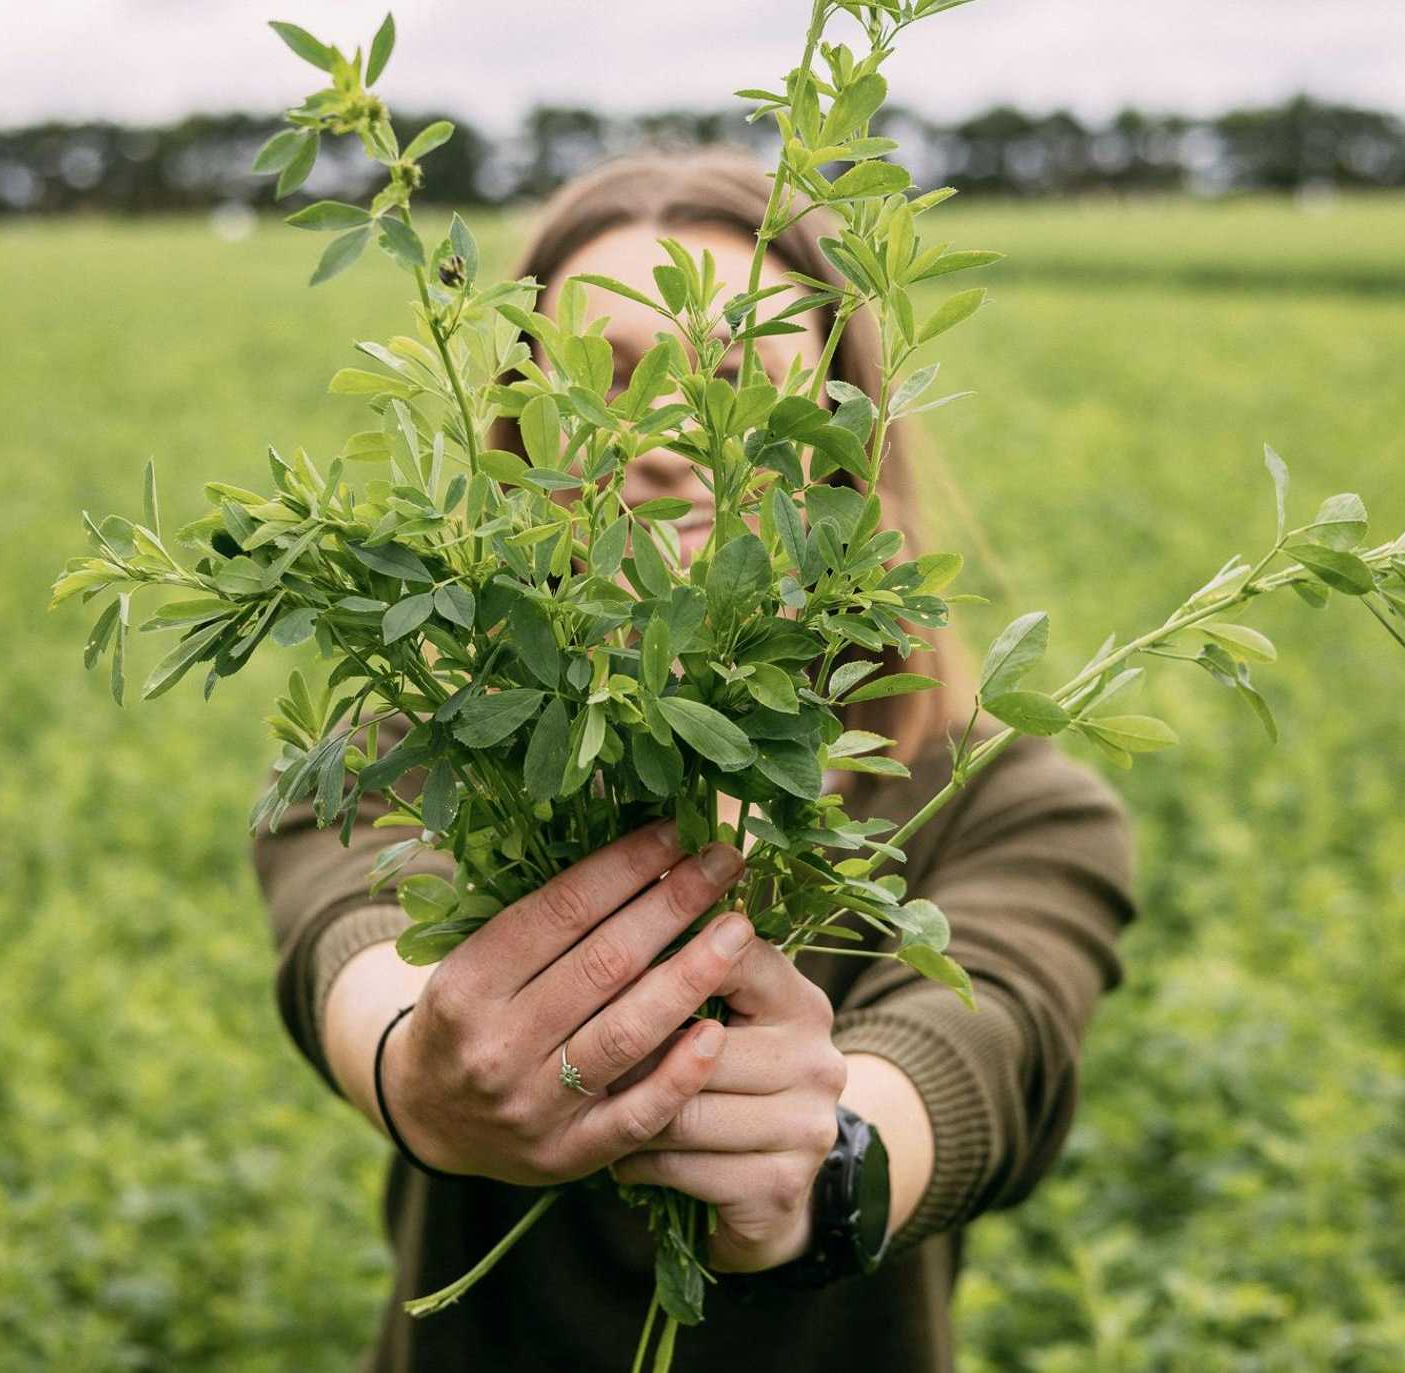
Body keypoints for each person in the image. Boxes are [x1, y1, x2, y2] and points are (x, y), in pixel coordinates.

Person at [252, 148, 1136, 1372]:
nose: (663, 443)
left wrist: (821, 1159)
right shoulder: (410, 740)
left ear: (842, 447)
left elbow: (992, 1047)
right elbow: (348, 941)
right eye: (593, 388)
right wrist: (422, 1063)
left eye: (727, 385)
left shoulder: (1004, 799)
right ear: (510, 444)